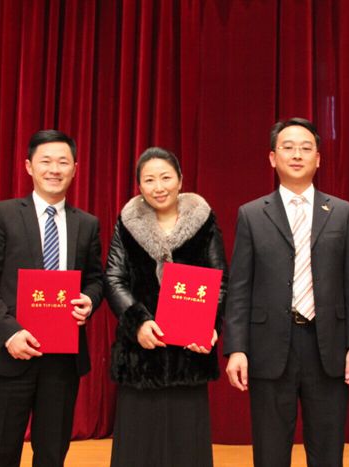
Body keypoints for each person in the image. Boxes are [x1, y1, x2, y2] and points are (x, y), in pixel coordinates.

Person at [223, 117, 349, 467]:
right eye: (287, 148)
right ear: (272, 158)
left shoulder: (342, 212)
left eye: (306, 148)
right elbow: (239, 288)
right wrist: (236, 349)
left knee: (327, 451)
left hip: (328, 345)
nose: (296, 155)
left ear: (318, 159)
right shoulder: (252, 214)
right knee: (270, 452)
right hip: (269, 345)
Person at [0, 130, 104, 467]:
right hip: (9, 353)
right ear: (29, 166)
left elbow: (95, 279)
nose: (54, 169)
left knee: (52, 454)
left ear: (75, 168)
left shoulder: (87, 224)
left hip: (62, 361)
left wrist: (89, 300)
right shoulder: (2, 214)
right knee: (0, 454)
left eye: (63, 162)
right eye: (45, 161)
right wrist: (10, 333)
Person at [105, 147, 227, 467]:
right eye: (149, 180)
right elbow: (114, 279)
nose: (158, 187)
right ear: (139, 186)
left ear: (180, 180)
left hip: (190, 354)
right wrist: (138, 323)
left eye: (165, 178)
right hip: (140, 355)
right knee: (138, 449)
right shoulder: (127, 223)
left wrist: (210, 325)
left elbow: (220, 280)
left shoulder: (203, 221)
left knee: (187, 447)